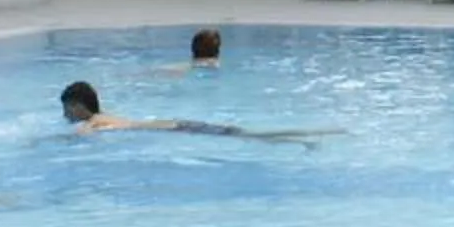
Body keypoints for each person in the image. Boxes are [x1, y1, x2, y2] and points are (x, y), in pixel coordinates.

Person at [59, 81, 314, 143]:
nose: (65, 115)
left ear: (78, 106)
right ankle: (305, 134)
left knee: (246, 136)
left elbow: (80, 136)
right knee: (243, 134)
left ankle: (299, 140)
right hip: (173, 123)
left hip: (175, 129)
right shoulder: (106, 115)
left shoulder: (93, 123)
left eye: (67, 109)